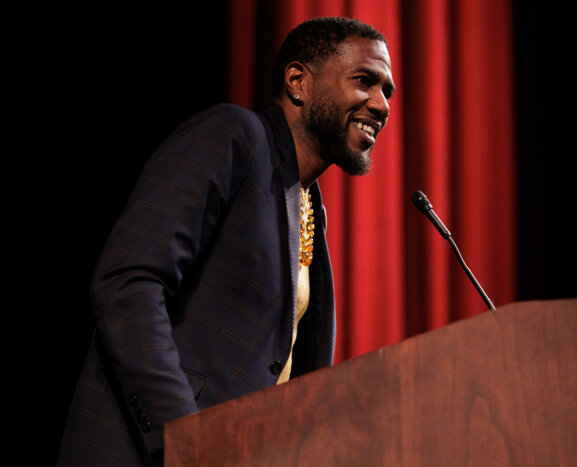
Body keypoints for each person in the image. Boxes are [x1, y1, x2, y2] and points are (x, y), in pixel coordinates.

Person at [57, 16, 394, 466]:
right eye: (364, 81)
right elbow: (128, 284)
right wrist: (187, 438)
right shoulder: (233, 137)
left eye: (387, 91)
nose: (381, 105)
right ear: (299, 82)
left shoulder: (309, 206)